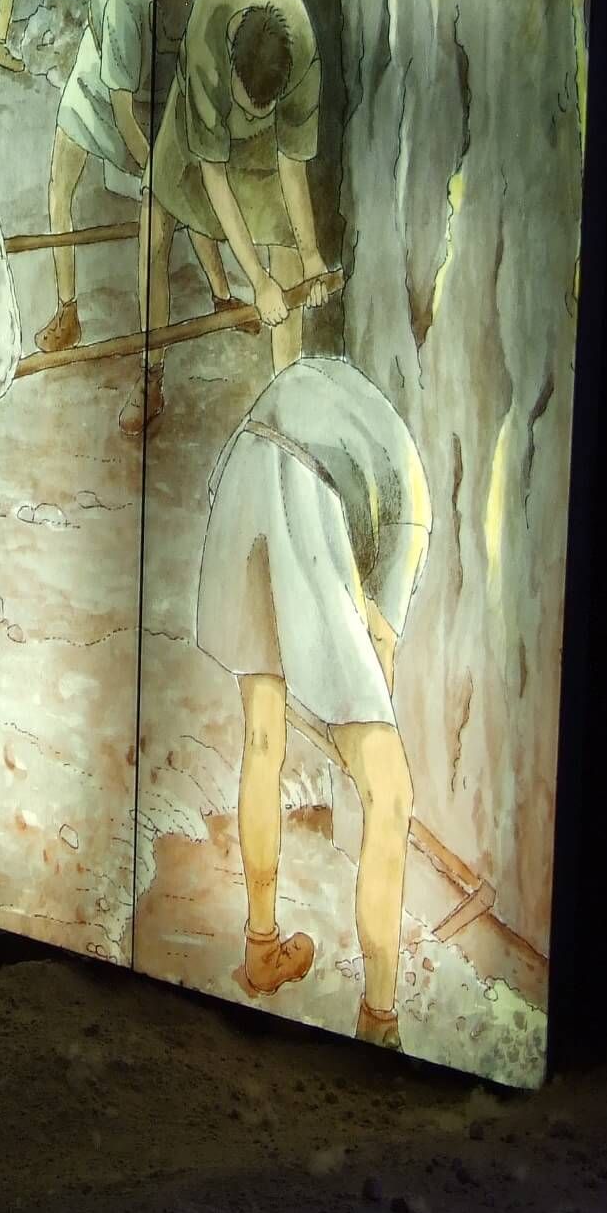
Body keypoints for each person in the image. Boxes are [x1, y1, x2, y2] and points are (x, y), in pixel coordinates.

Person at [195, 354, 430, 1049]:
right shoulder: (410, 525)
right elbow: (379, 652)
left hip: (244, 463)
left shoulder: (382, 465)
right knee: (391, 794)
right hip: (302, 477)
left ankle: (261, 950)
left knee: (263, 740)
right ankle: (380, 1023)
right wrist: (358, 736)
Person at [123, 0, 334, 435]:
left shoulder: (301, 56)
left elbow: (292, 165)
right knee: (154, 225)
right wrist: (257, 281)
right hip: (195, 120)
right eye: (246, 103)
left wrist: (311, 257)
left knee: (289, 252)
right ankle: (150, 375)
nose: (252, 115)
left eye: (264, 108)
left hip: (260, 143)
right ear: (231, 64)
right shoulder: (206, 46)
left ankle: (286, 402)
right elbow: (213, 176)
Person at [31, 0, 241, 352]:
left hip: (157, 87)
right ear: (155, 9)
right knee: (60, 188)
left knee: (188, 182)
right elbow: (123, 116)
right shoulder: (123, 9)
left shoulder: (192, 2)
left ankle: (223, 297)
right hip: (100, 86)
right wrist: (154, 175)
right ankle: (67, 312)